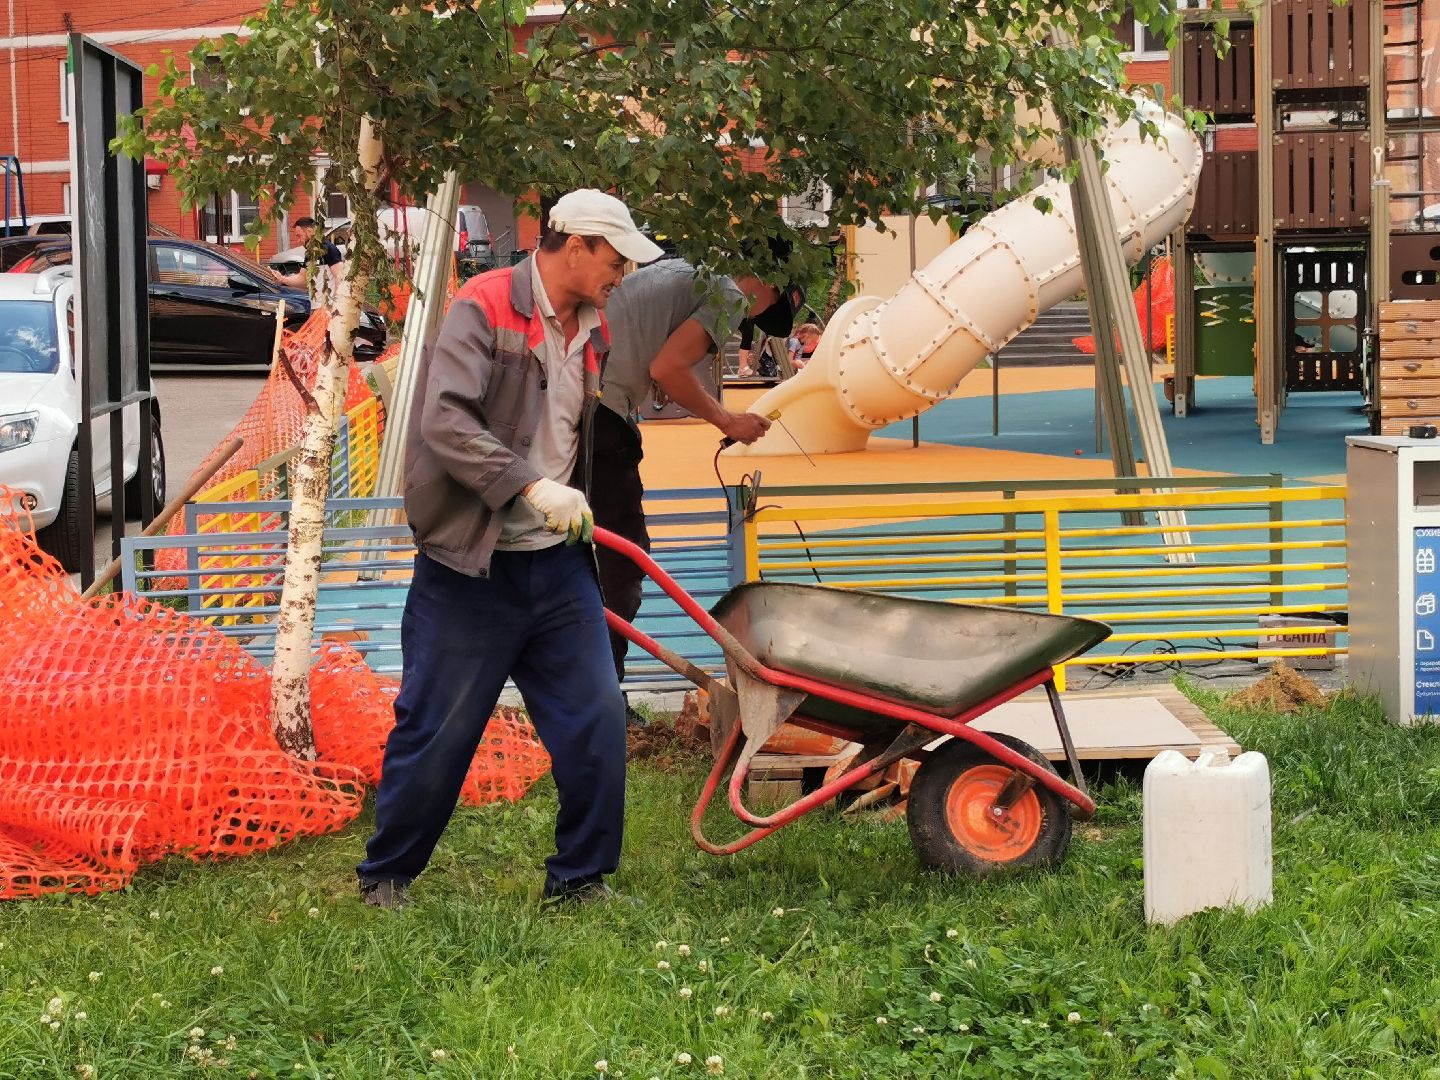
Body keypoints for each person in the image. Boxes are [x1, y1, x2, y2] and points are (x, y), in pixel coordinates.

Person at [356, 189, 664, 909]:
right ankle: (387, 877)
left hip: (556, 570)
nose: (622, 273)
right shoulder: (484, 305)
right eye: (616, 258)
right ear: (577, 245)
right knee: (438, 729)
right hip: (471, 565)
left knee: (596, 718)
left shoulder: (596, 329)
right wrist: (531, 488)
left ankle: (580, 880)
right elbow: (444, 420)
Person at [593, 247, 803, 691]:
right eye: (767, 307)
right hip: (601, 417)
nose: (753, 316)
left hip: (587, 404)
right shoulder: (726, 293)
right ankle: (603, 691)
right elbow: (667, 366)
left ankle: (587, 686)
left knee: (586, 553)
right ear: (766, 284)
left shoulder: (687, 268)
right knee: (621, 561)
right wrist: (728, 421)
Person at [273, 216, 344, 301]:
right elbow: (303, 279)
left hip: (329, 307)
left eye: (299, 236)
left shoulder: (328, 249)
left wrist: (337, 305)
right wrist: (282, 279)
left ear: (309, 231)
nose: (298, 241)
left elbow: (339, 276)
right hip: (315, 306)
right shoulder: (309, 254)